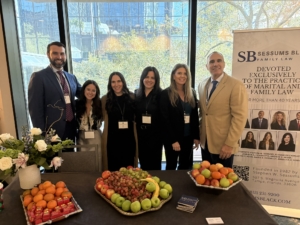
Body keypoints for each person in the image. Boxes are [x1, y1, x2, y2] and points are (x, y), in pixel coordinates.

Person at [198, 51, 248, 168]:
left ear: (224, 64)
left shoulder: (235, 85)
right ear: (207, 66)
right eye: (211, 62)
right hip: (205, 144)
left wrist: (229, 144)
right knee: (206, 179)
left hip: (223, 146)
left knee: (223, 182)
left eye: (219, 61)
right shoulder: (202, 85)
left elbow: (240, 117)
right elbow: (203, 114)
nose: (215, 64)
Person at [28, 41, 81, 143]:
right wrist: (42, 135)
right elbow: (35, 109)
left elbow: (84, 93)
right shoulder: (39, 77)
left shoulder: (71, 77)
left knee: (71, 158)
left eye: (62, 54)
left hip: (71, 129)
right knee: (54, 159)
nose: (59, 57)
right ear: (48, 54)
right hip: (51, 132)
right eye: (55, 53)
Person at [160, 64, 200, 170]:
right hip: (172, 138)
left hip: (188, 137)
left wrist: (196, 136)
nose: (182, 76)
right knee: (171, 166)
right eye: (179, 73)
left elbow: (194, 116)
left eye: (185, 73)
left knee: (186, 166)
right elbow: (165, 119)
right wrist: (173, 140)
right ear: (173, 76)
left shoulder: (192, 92)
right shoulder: (165, 94)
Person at [101, 72, 137, 171]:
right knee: (113, 171)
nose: (116, 84)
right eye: (113, 82)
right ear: (110, 84)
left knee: (129, 171)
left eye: (119, 81)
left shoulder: (132, 97)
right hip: (112, 141)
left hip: (129, 140)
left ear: (123, 82)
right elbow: (98, 117)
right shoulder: (105, 99)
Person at [135, 67, 163, 170]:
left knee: (155, 165)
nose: (149, 80)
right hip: (140, 135)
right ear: (142, 78)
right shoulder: (137, 94)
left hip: (155, 136)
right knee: (143, 163)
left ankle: (155, 184)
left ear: (156, 80)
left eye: (152, 78)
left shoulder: (161, 95)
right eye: (147, 77)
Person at [76, 80, 102, 154]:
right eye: (88, 89)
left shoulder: (100, 104)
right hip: (81, 138)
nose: (90, 93)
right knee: (83, 161)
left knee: (97, 161)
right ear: (84, 89)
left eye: (93, 90)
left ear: (96, 92)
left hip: (96, 138)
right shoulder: (77, 104)